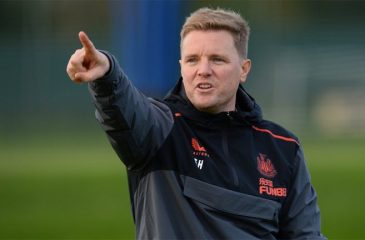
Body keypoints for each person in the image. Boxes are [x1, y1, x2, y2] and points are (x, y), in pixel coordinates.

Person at [67, 7, 326, 240]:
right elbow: (125, 112)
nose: (203, 70)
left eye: (217, 59)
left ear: (244, 69)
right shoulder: (160, 129)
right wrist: (106, 75)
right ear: (181, 67)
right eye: (192, 60)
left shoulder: (283, 148)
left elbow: (305, 235)